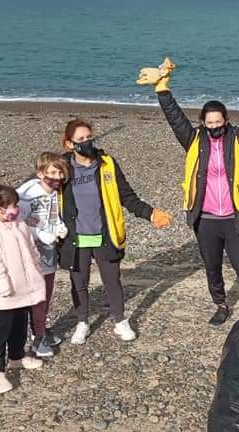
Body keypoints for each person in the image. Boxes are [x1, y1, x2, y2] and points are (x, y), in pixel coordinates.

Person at [137, 56, 239, 326]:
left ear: (225, 120)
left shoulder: (238, 139)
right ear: (203, 122)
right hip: (206, 219)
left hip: (235, 218)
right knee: (212, 267)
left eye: (218, 121)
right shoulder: (193, 141)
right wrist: (163, 89)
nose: (214, 126)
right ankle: (221, 304)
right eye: (209, 122)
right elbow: (175, 119)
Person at [59, 119, 173, 345]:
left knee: (112, 281)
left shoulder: (107, 164)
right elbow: (41, 192)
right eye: (80, 139)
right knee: (79, 283)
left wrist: (151, 214)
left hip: (105, 235)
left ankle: (120, 321)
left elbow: (127, 197)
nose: (86, 142)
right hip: (75, 238)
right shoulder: (62, 167)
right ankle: (82, 322)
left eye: (89, 137)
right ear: (69, 144)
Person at [0, 185, 46, 394]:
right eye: (12, 206)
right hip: (2, 293)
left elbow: (31, 249)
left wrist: (36, 267)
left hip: (24, 288)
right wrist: (3, 285)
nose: (16, 209)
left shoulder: (19, 224)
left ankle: (16, 357)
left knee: (20, 326)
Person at [16, 152, 70, 357]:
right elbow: (17, 224)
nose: (57, 177)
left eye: (60, 173)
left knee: (46, 293)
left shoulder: (55, 193)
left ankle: (41, 328)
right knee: (37, 295)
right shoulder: (27, 196)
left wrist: (58, 228)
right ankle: (37, 337)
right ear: (40, 173)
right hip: (32, 253)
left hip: (49, 251)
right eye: (53, 172)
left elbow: (53, 215)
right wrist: (39, 234)